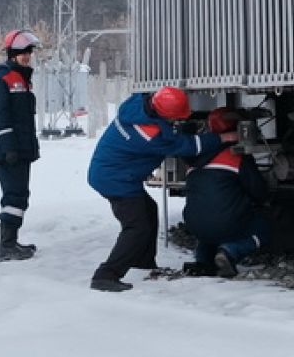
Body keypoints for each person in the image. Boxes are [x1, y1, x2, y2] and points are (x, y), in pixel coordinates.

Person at [85, 86, 233, 292]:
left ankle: (143, 263)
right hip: (116, 180)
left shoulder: (137, 104)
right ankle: (106, 275)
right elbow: (188, 146)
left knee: (149, 209)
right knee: (137, 227)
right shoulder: (150, 134)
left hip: (111, 173)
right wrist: (221, 139)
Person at [182, 107, 271, 278]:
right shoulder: (235, 157)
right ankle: (230, 251)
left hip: (194, 226)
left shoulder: (194, 157)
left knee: (209, 225)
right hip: (226, 225)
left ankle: (203, 260)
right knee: (263, 228)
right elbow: (258, 191)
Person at [0, 29, 42, 262]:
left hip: (19, 149)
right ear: (11, 54)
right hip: (9, 151)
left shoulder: (21, 79)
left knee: (19, 195)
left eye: (28, 52)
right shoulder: (4, 78)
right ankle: (6, 246)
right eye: (21, 52)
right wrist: (9, 147)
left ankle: (10, 242)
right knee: (14, 195)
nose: (26, 56)